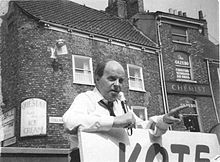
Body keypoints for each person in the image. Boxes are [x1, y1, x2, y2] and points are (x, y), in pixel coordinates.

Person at [63, 59, 187, 162]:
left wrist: (164, 120)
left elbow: (143, 128)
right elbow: (69, 122)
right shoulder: (86, 99)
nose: (117, 85)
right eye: (112, 79)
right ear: (97, 79)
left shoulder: (121, 106)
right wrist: (114, 121)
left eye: (121, 80)